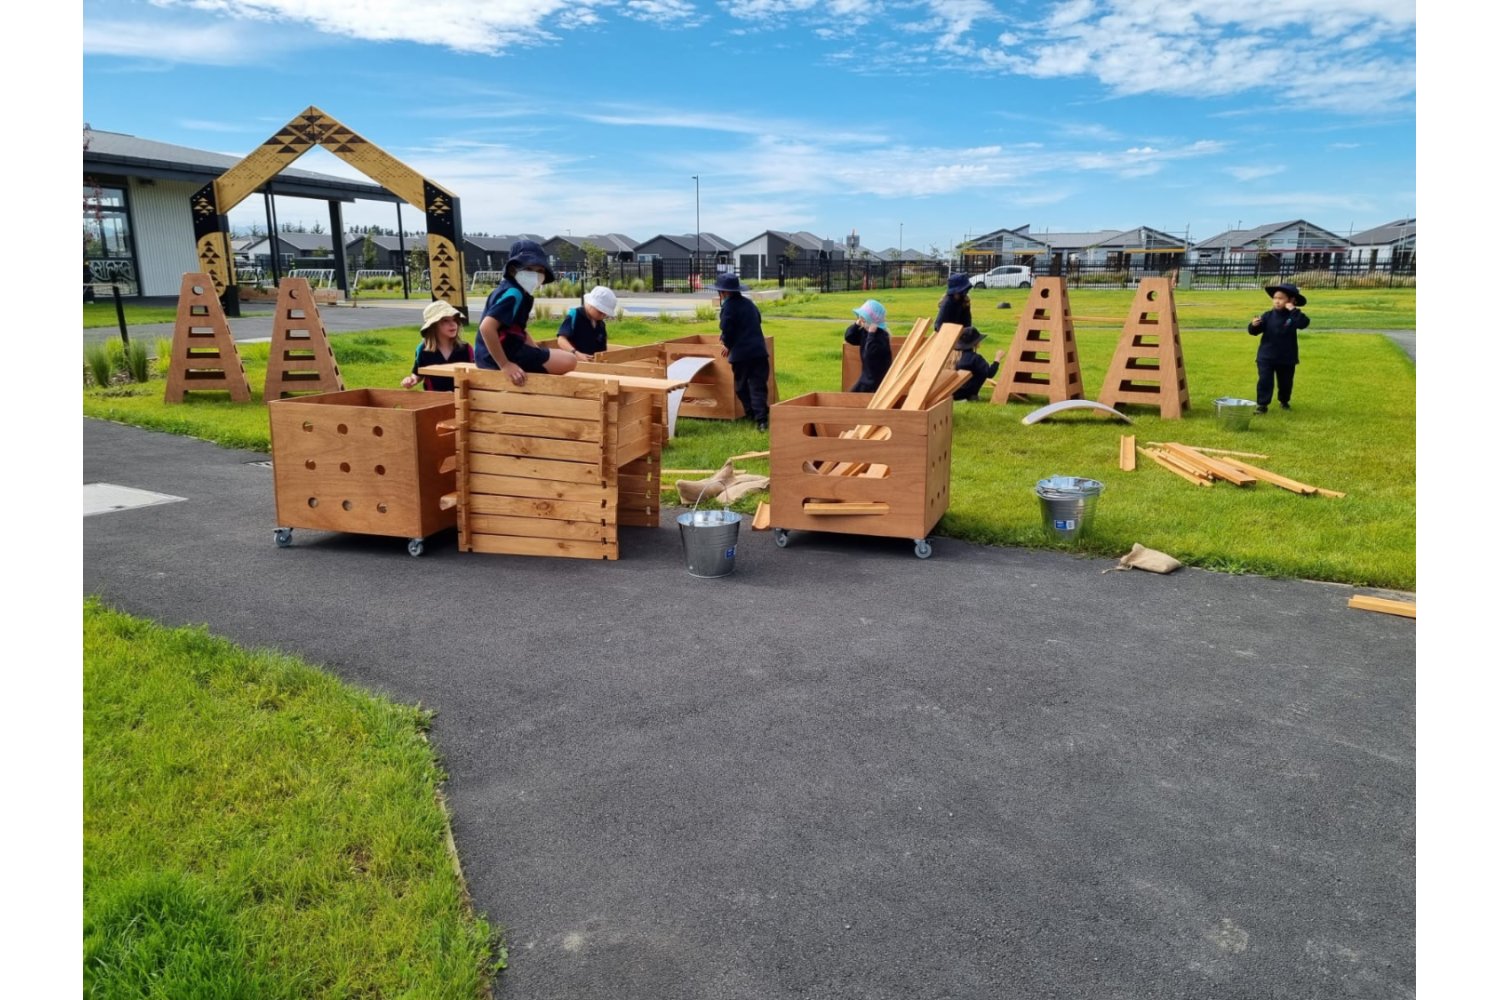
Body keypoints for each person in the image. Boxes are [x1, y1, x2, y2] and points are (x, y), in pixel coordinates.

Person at [475, 239, 577, 386]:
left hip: (495, 354)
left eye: (540, 271)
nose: (535, 275)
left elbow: (518, 330)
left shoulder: (517, 292)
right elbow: (486, 327)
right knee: (569, 360)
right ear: (513, 269)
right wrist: (505, 364)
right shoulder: (514, 293)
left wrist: (535, 351)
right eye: (529, 269)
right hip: (499, 357)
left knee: (557, 357)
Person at [714, 274, 770, 431]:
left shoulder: (728, 307)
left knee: (741, 387)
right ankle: (762, 420)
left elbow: (728, 329)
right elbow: (756, 320)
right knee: (758, 386)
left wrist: (727, 344)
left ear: (724, 292)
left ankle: (752, 414)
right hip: (759, 352)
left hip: (741, 356)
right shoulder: (749, 303)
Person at [1248, 282, 1310, 413]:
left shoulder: (1293, 316)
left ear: (1291, 300)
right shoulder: (1267, 316)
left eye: (1281, 298)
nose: (1277, 301)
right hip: (1266, 356)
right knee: (1264, 381)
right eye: (1275, 298)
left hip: (1287, 357)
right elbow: (1254, 332)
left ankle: (1284, 401)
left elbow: (1303, 323)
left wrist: (1293, 309)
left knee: (1285, 382)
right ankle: (1262, 405)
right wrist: (1253, 325)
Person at [400, 299, 474, 392]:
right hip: (434, 399)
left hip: (462, 399)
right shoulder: (423, 350)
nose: (452, 324)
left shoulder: (466, 349)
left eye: (454, 320)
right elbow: (418, 374)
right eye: (445, 321)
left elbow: (474, 374)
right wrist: (411, 380)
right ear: (433, 325)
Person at [556, 285, 617, 361]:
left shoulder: (600, 324)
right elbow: (561, 340)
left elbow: (602, 349)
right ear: (592, 304)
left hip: (594, 366)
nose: (603, 316)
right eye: (600, 312)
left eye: (605, 314)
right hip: (573, 364)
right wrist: (576, 354)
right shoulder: (575, 315)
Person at [844, 299, 892, 393]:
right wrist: (856, 325)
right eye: (860, 318)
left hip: (878, 379)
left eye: (863, 319)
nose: (861, 321)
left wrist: (871, 335)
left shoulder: (881, 336)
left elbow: (869, 354)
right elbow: (849, 338)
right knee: (851, 397)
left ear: (872, 322)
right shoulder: (865, 332)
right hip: (866, 376)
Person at [951, 326, 1002, 402]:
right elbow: (990, 373)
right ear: (975, 343)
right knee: (981, 373)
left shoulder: (956, 356)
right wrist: (997, 358)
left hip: (954, 392)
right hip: (966, 393)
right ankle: (971, 396)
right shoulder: (976, 359)